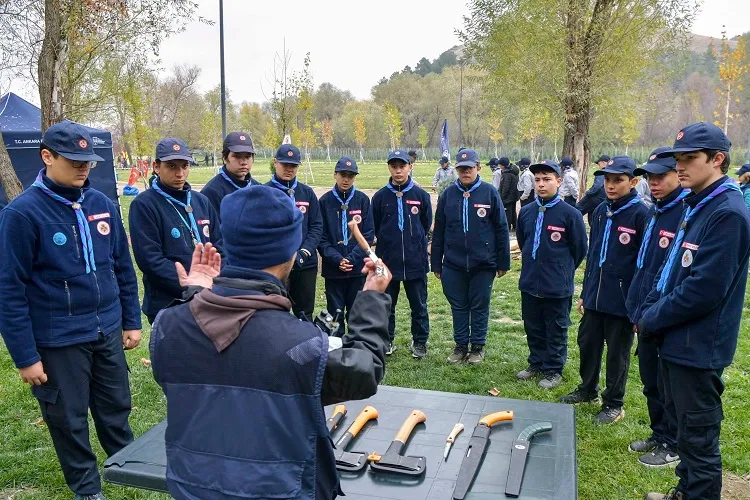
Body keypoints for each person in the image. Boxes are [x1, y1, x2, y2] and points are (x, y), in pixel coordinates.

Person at [150, 185, 392, 500]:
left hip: (195, 487)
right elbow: (364, 369)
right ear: (290, 253)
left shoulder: (167, 326)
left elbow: (208, 352)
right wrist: (372, 297)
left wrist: (197, 296)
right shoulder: (302, 346)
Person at [0, 120, 142, 500]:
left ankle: (127, 465)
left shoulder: (102, 205)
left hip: (106, 329)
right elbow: (9, 290)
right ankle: (87, 488)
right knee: (68, 417)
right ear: (47, 156)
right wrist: (26, 357)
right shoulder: (22, 214)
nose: (83, 167)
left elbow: (122, 267)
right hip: (59, 337)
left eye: (88, 161)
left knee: (115, 405)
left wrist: (130, 320)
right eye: (73, 160)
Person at [640, 123, 750, 500]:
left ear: (717, 160)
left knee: (699, 437)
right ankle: (685, 492)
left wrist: (652, 317)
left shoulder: (727, 212)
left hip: (698, 345)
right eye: (678, 158)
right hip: (678, 339)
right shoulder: (699, 203)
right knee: (685, 431)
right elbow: (674, 269)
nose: (680, 166)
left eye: (690, 158)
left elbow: (703, 290)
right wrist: (651, 305)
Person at [560, 155, 649, 424]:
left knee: (617, 353)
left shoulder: (641, 214)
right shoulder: (600, 211)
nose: (610, 185)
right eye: (607, 180)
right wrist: (585, 292)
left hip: (621, 299)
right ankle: (587, 389)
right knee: (588, 343)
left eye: (618, 180)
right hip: (595, 296)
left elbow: (644, 263)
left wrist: (636, 302)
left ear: (633, 182)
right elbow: (594, 254)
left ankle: (614, 402)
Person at [623, 147, 688, 469]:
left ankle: (673, 443)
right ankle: (659, 432)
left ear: (678, 174)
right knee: (650, 380)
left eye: (661, 176)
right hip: (645, 308)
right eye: (650, 177)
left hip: (666, 312)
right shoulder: (656, 210)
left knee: (668, 384)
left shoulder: (685, 213)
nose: (654, 183)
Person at [130, 137, 222, 324]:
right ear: (157, 167)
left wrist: (215, 282)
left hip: (209, 298)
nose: (180, 173)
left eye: (184, 166)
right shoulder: (144, 204)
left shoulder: (201, 201)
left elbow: (221, 245)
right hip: (168, 304)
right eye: (171, 166)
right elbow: (150, 260)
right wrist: (192, 286)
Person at [431, 149, 510, 365]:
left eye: (470, 168)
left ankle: (477, 346)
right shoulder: (448, 194)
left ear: (478, 168)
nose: (466, 172)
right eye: (461, 169)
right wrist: (436, 263)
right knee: (458, 306)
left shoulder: (489, 193)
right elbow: (439, 231)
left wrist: (503, 261)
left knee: (479, 305)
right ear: (456, 170)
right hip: (453, 263)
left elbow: (501, 228)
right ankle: (460, 346)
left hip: (483, 263)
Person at [515, 160, 587, 388]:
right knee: (533, 325)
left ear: (559, 181)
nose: (541, 184)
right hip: (530, 281)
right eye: (537, 180)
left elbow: (579, 249)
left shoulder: (570, 214)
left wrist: (561, 269)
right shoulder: (526, 212)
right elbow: (523, 241)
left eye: (547, 179)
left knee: (556, 329)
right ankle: (536, 362)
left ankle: (553, 369)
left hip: (556, 284)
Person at [372, 149, 432, 358]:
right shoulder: (380, 197)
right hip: (388, 262)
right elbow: (376, 225)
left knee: (419, 305)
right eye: (394, 167)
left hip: (415, 261)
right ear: (389, 168)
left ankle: (420, 342)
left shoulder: (421, 195)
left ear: (410, 167)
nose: (398, 171)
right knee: (387, 305)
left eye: (402, 166)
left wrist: (414, 242)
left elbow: (426, 224)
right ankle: (387, 340)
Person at [318, 157, 375, 336]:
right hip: (334, 270)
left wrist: (351, 259)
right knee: (335, 313)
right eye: (343, 174)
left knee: (357, 312)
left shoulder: (362, 200)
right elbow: (321, 238)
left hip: (357, 269)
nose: (346, 179)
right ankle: (337, 345)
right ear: (335, 174)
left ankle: (356, 344)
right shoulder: (325, 201)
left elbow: (368, 235)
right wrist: (337, 259)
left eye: (351, 176)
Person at [267, 144, 323, 320]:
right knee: (275, 313)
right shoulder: (265, 192)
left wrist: (304, 252)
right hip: (276, 264)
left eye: (293, 165)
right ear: (275, 162)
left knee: (305, 314)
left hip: (305, 264)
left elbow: (316, 226)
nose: (289, 169)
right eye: (285, 164)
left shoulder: (307, 193)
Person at [200, 131, 260, 217]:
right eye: (237, 156)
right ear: (225, 158)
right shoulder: (212, 192)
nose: (243, 162)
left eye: (247, 156)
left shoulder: (259, 188)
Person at [577, 154, 609, 224]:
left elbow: (597, 186)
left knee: (577, 210)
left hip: (594, 198)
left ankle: (569, 225)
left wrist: (588, 193)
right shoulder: (611, 173)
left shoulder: (602, 173)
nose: (598, 166)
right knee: (593, 216)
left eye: (599, 164)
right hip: (604, 199)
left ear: (604, 162)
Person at [499, 157, 520, 231]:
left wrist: (502, 197)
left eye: (500, 164)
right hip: (514, 196)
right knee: (513, 211)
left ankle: (507, 227)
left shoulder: (507, 174)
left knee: (507, 212)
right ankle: (515, 226)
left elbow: (505, 187)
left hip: (508, 197)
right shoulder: (513, 171)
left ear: (503, 165)